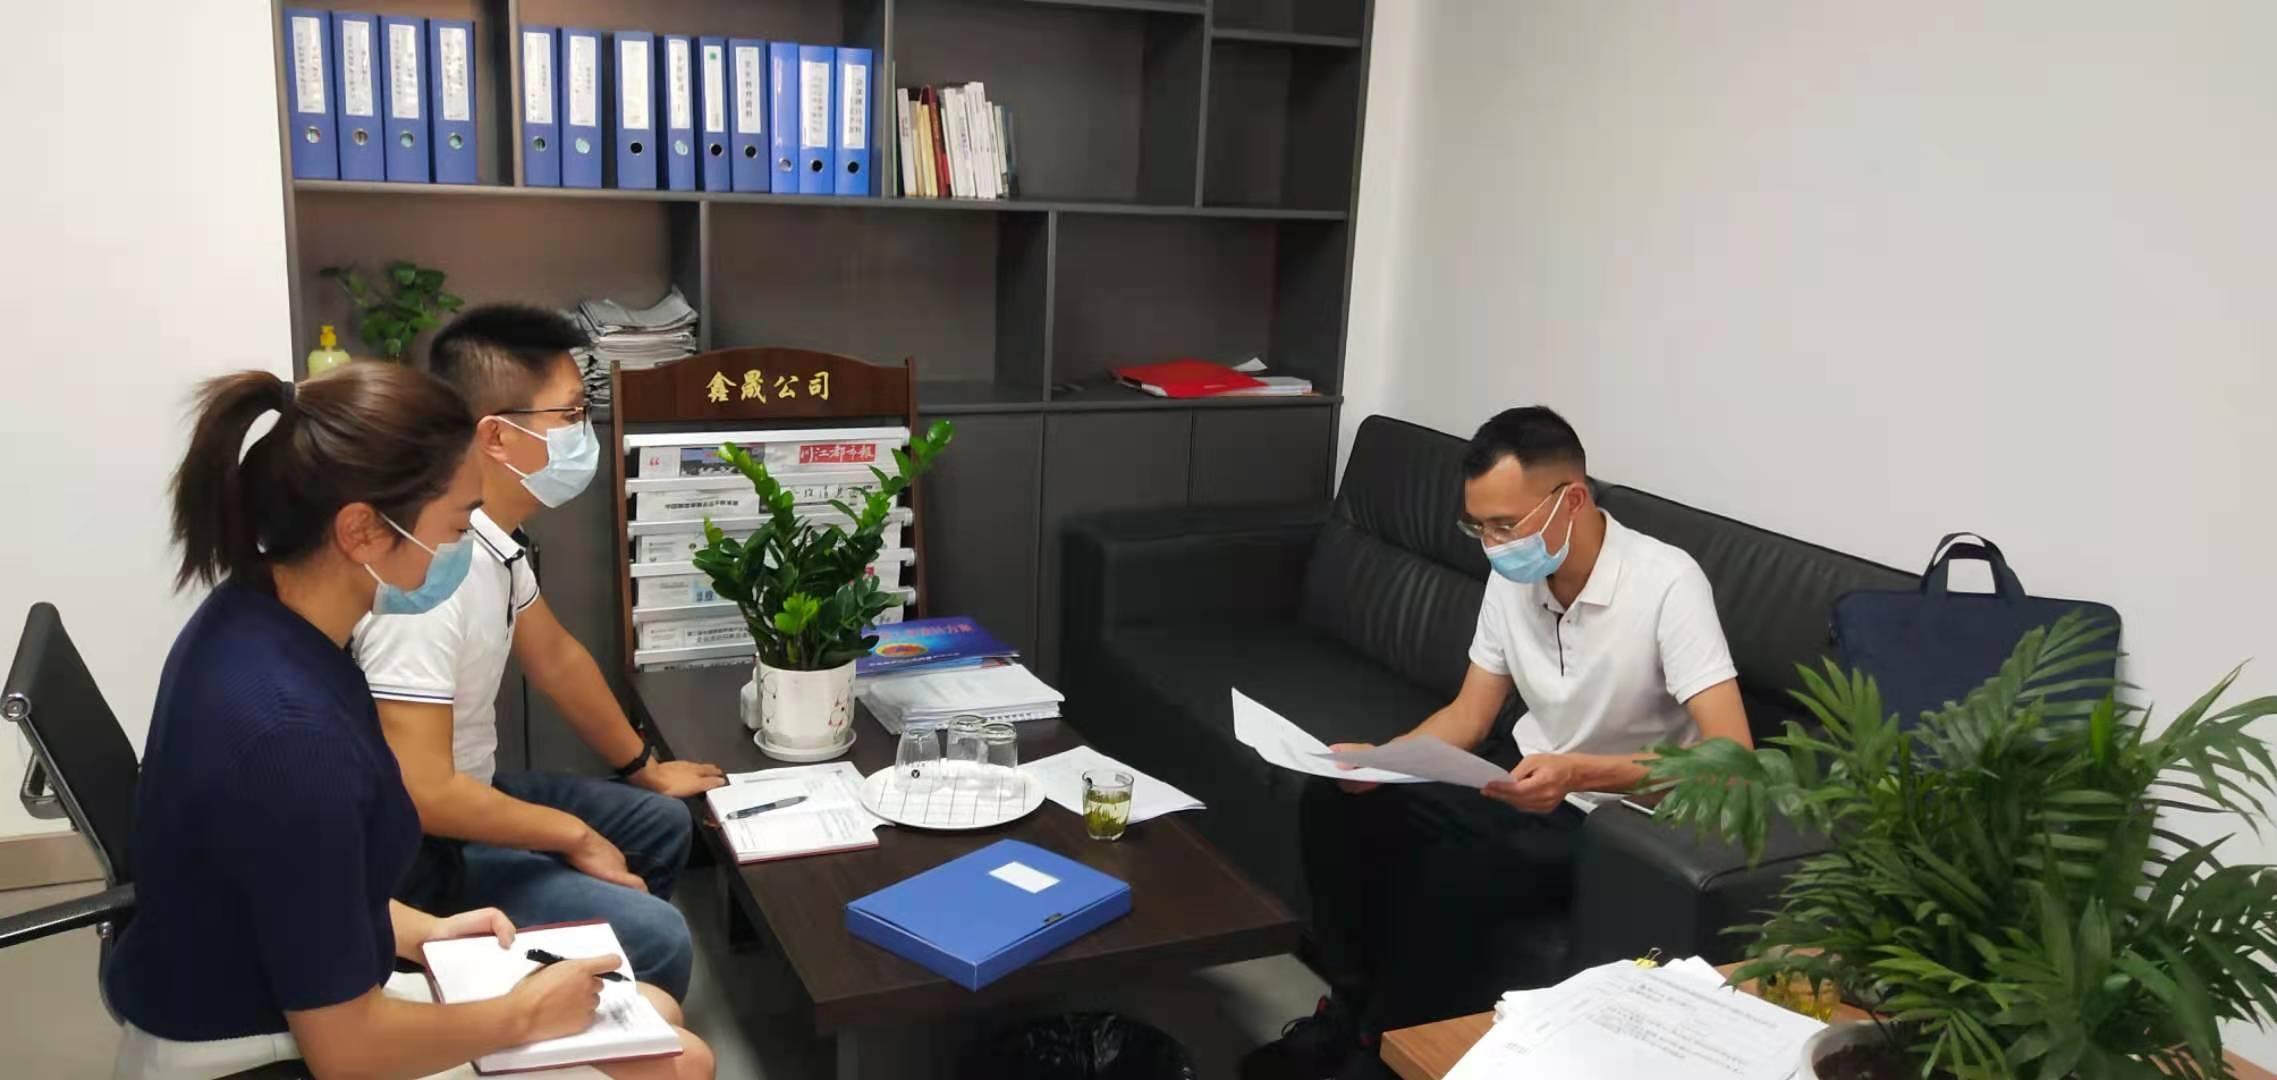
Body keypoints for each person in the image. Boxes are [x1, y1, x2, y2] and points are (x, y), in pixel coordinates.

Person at [105, 365, 713, 1080]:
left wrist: (428, 933)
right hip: (251, 1049)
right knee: (679, 1062)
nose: (465, 544)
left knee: (653, 1014)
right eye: (457, 524)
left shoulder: (258, 612)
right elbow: (347, 1052)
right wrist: (522, 1014)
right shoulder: (292, 738)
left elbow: (293, 882)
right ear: (362, 529)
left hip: (275, 988)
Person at [1243, 406, 1754, 1080]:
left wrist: (1580, 773)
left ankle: (1384, 1050)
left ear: (1572, 500)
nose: (1491, 544)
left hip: (1615, 822)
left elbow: (1733, 760)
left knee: (1448, 870)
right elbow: (1468, 713)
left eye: (1504, 526)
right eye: (1477, 526)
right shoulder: (1512, 576)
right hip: (1518, 782)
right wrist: (1383, 762)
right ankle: (1347, 1006)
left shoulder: (1666, 584)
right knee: (1336, 801)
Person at [351, 305, 725, 1001]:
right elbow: (422, 792)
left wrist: (643, 767)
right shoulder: (430, 575)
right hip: (421, 849)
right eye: (571, 413)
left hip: (473, 790)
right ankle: (590, 990)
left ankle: (596, 983)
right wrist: (573, 836)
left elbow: (555, 657)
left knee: (662, 821)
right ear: (496, 436)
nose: (585, 432)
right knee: (658, 936)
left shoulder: (492, 539)